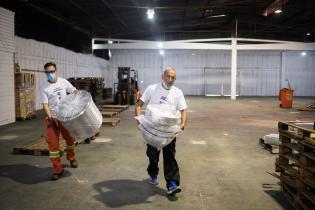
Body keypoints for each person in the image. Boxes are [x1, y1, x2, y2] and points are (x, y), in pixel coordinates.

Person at [135, 67, 188, 196]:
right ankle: (153, 173)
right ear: (162, 76)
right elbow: (139, 105)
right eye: (168, 76)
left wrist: (182, 124)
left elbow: (184, 110)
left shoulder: (177, 92)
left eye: (173, 78)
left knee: (170, 157)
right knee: (153, 156)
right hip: (152, 130)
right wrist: (139, 121)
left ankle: (172, 184)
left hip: (169, 132)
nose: (170, 80)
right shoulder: (152, 89)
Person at [40, 62, 78, 180]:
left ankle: (71, 158)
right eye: (48, 72)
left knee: (70, 139)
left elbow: (74, 91)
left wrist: (77, 101)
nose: (50, 74)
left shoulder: (63, 82)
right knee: (53, 145)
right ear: (45, 73)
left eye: (52, 71)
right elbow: (45, 104)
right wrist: (50, 117)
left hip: (65, 116)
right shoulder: (44, 87)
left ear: (56, 71)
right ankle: (57, 169)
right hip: (53, 118)